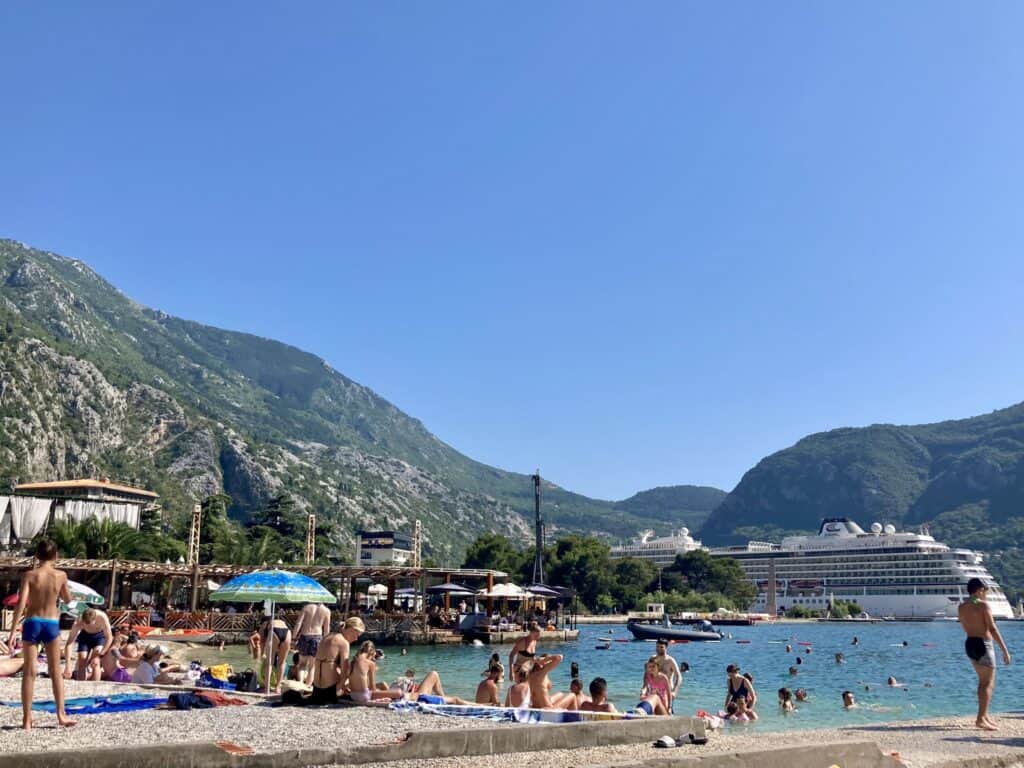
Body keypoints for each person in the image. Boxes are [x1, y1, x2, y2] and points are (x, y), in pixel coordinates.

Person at [7, 540, 76, 729]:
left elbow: (21, 604)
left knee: (29, 672)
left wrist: (13, 631)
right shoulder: (61, 575)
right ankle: (61, 715)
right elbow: (69, 601)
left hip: (32, 622)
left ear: (36, 556)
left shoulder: (29, 575)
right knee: (55, 672)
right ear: (56, 556)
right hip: (52, 623)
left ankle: (27, 719)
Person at [958, 577, 1011, 731]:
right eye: (984, 590)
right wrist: (1005, 650)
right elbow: (992, 628)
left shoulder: (962, 607)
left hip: (970, 643)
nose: (985, 594)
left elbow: (965, 625)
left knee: (982, 682)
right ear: (979, 590)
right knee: (988, 683)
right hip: (984, 644)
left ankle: (984, 715)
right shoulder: (983, 606)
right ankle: (980, 719)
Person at [308, 617, 364, 705]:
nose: (356, 639)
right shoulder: (344, 643)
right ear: (351, 630)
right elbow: (345, 673)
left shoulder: (327, 637)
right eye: (356, 635)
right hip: (330, 692)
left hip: (317, 691)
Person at [63, 607, 114, 681]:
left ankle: (95, 685)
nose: (88, 625)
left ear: (95, 619)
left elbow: (109, 637)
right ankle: (81, 683)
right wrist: (67, 666)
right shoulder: (78, 622)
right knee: (82, 659)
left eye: (89, 624)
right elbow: (69, 643)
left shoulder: (102, 617)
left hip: (99, 636)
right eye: (85, 624)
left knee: (95, 661)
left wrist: (100, 655)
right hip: (85, 636)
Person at [250, 613, 293, 693]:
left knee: (269, 662)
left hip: (274, 630)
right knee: (282, 663)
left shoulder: (264, 625)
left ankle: (267, 689)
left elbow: (261, 642)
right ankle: (278, 688)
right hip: (287, 632)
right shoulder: (281, 622)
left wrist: (262, 654)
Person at [292, 602, 331, 685]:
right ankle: (308, 686)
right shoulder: (326, 611)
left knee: (302, 664)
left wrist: (294, 637)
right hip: (317, 637)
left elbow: (298, 623)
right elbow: (326, 629)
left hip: (305, 635)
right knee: (312, 666)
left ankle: (300, 684)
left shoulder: (306, 607)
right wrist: (325, 643)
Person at [650, 640, 682, 711]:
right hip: (655, 691)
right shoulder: (653, 659)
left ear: (666, 648)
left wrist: (674, 692)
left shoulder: (670, 661)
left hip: (668, 693)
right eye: (657, 646)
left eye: (661, 647)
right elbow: (648, 675)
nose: (658, 649)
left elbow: (679, 677)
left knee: (668, 712)